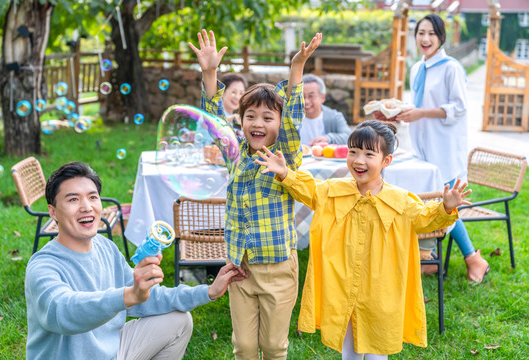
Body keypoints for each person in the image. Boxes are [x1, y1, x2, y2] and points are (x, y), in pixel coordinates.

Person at [255, 120, 471, 359]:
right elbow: (311, 190)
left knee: (378, 346)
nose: (358, 160)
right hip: (342, 285)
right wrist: (285, 173)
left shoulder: (399, 200)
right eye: (353, 151)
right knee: (349, 347)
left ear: (386, 161)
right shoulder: (333, 190)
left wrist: (446, 208)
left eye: (369, 154)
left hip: (381, 289)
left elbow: (424, 219)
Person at [24, 161, 247, 360]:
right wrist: (129, 295)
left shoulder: (105, 248)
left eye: (92, 197)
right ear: (53, 212)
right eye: (73, 199)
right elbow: (62, 312)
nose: (86, 206)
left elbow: (149, 297)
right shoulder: (43, 266)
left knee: (179, 320)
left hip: (112, 351)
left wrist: (208, 291)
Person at [189, 29, 321, 359]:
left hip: (278, 268)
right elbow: (215, 122)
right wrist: (209, 74)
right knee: (245, 347)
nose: (257, 122)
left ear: (278, 123)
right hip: (240, 268)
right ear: (242, 121)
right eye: (250, 116)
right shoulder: (235, 156)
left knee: (273, 346)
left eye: (267, 116)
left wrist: (296, 69)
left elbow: (292, 120)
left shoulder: (285, 156)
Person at [389, 13, 489, 283]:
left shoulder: (451, 68)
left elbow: (459, 108)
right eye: (421, 32)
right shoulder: (417, 68)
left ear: (441, 37)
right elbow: (418, 105)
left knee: (446, 203)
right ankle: (429, 259)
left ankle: (473, 258)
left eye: (431, 33)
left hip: (444, 148)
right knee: (432, 201)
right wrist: (402, 113)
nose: (425, 38)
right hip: (422, 147)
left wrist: (421, 113)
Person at [301, 73, 352, 145]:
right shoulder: (291, 117)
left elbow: (349, 137)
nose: (306, 101)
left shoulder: (334, 116)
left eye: (311, 96)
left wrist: (328, 139)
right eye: (302, 96)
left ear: (322, 97)